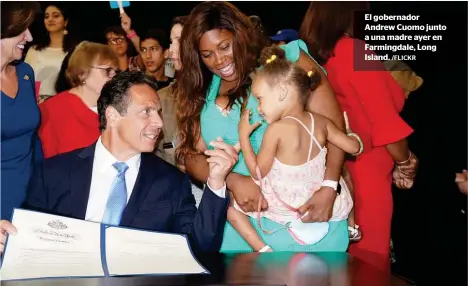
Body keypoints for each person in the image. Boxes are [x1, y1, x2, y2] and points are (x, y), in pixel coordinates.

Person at [176, 1, 350, 252]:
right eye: (207, 54)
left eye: (225, 46)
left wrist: (329, 187)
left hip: (306, 216)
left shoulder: (289, 61)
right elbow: (192, 155)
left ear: (241, 34)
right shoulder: (201, 87)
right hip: (240, 227)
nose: (219, 60)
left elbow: (334, 131)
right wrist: (234, 180)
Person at [0, 71, 236, 254]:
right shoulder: (53, 174)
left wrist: (215, 183)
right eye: (146, 112)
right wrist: (8, 238)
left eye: (158, 112)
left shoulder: (171, 182)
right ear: (112, 116)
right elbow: (28, 239)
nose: (159, 123)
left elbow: (200, 249)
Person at [299, 1, 418, 270]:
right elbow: (386, 123)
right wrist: (406, 163)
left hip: (327, 174)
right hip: (365, 178)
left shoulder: (309, 56)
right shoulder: (355, 50)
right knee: (368, 267)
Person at [229, 46, 362, 252]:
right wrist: (351, 134)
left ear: (282, 92)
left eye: (260, 99)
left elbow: (258, 172)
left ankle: (262, 249)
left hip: (286, 206)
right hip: (315, 199)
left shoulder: (276, 130)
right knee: (344, 187)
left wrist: (243, 136)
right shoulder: (322, 122)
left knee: (231, 211)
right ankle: (351, 226)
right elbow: (353, 148)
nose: (259, 108)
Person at [39, 41, 119, 159]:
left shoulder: (117, 108)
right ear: (82, 73)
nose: (113, 76)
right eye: (107, 71)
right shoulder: (52, 110)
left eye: (115, 71)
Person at [1, 1, 43, 220]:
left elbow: (32, 141)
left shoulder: (25, 73)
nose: (29, 37)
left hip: (30, 201)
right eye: (22, 30)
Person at [24, 3, 76, 102]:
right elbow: (24, 78)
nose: (50, 19)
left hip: (62, 103)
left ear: (66, 21)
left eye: (56, 16)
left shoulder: (74, 52)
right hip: (34, 103)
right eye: (47, 16)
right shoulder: (34, 50)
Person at [155, 16, 187, 167]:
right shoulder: (161, 99)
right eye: (171, 41)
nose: (172, 49)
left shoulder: (221, 95)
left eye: (179, 41)